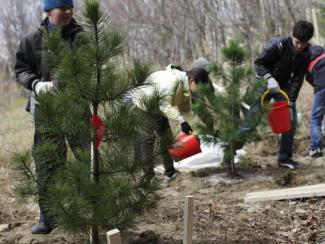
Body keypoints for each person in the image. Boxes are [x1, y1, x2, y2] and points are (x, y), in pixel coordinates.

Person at [15, 0, 88, 234]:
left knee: (89, 158)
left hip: (77, 108)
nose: (67, 12)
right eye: (61, 8)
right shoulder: (32, 39)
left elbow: (92, 68)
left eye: (70, 7)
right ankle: (48, 217)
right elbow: (21, 69)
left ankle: (95, 209)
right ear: (49, 10)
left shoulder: (81, 37)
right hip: (47, 111)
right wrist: (35, 84)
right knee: (48, 163)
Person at [223, 20, 314, 170]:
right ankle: (229, 153)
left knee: (290, 120)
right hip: (264, 83)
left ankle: (284, 158)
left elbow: (297, 79)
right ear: (292, 35)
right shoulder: (278, 45)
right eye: (297, 42)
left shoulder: (306, 54)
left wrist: (290, 103)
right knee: (252, 121)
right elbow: (258, 63)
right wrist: (269, 78)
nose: (299, 46)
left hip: (283, 87)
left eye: (303, 43)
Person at [132, 65, 211, 182]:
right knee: (148, 140)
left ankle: (170, 173)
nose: (200, 91)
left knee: (166, 138)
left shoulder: (185, 88)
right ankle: (148, 177)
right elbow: (164, 105)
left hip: (158, 106)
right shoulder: (172, 81)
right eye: (200, 87)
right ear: (192, 81)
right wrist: (182, 121)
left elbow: (186, 110)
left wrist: (195, 130)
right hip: (144, 104)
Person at [305, 45, 325, 158]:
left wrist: (318, 87)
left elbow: (309, 78)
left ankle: (316, 148)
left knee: (316, 119)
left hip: (322, 86)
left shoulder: (304, 58)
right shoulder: (321, 50)